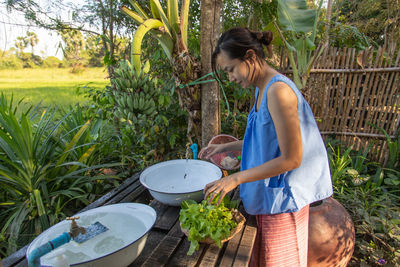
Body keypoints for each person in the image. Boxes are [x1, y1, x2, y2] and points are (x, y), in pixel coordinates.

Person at [202, 27, 333, 267]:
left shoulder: (278, 92)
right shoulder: (261, 88)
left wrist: (235, 179)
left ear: (250, 57)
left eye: (230, 69)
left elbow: (291, 159)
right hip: (267, 198)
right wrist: (225, 147)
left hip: (282, 204)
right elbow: (265, 141)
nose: (230, 78)